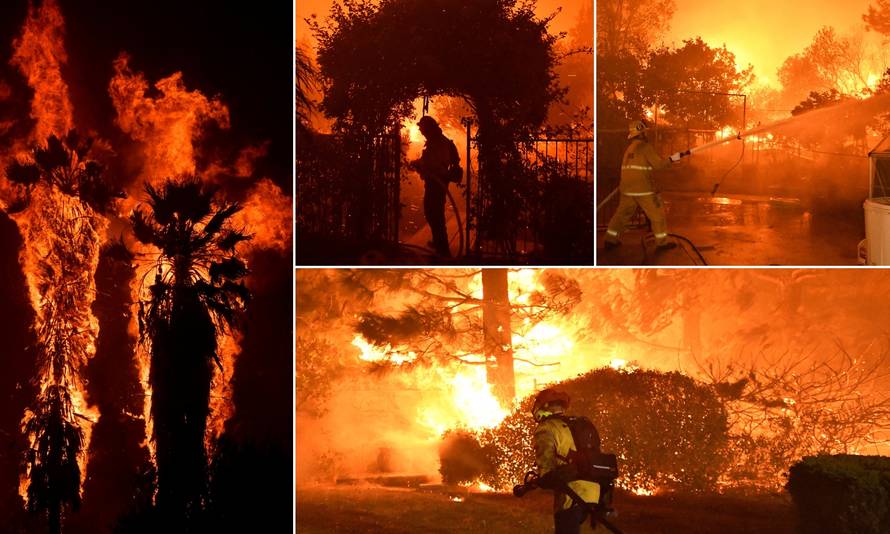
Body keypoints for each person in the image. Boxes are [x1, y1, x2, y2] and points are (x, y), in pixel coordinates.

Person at [604, 120, 688, 251]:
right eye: (644, 132)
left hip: (627, 189)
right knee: (657, 215)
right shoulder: (645, 147)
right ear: (642, 133)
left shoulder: (629, 148)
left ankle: (610, 240)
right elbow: (658, 165)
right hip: (643, 189)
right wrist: (673, 158)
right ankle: (662, 243)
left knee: (621, 215)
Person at [532, 388, 601, 534]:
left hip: (571, 493)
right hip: (594, 490)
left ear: (544, 406)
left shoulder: (546, 428)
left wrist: (542, 478)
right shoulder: (575, 424)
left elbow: (546, 464)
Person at [409, 116, 460, 257]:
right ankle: (438, 242)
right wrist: (418, 163)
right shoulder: (436, 141)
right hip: (436, 181)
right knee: (433, 212)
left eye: (422, 127)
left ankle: (443, 249)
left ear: (428, 127)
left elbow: (435, 164)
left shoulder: (438, 143)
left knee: (434, 213)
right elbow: (429, 160)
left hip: (437, 182)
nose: (420, 130)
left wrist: (419, 165)